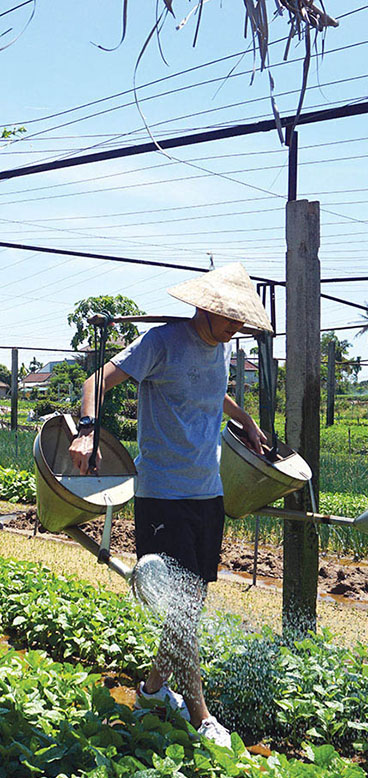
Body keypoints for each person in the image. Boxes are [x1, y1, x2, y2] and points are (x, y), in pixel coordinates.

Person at [69, 263, 273, 747]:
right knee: (181, 609)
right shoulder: (159, 343)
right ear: (203, 306)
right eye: (228, 318)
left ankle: (153, 690)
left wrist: (244, 418)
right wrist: (87, 431)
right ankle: (201, 715)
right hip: (163, 494)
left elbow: (210, 390)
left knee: (192, 604)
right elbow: (94, 383)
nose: (235, 328)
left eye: (241, 321)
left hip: (208, 491)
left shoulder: (222, 348)